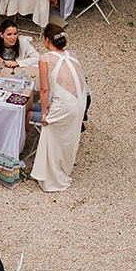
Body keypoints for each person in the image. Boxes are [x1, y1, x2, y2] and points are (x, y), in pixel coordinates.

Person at [30, 24, 89, 192]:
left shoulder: (45, 58)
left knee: (52, 135)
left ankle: (51, 177)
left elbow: (44, 88)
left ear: (47, 40)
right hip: (79, 100)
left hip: (64, 103)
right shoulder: (72, 55)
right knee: (69, 137)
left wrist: (43, 113)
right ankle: (64, 168)